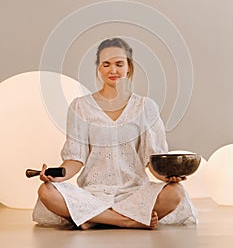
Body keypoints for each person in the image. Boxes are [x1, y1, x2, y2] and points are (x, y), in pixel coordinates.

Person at [33, 37, 198, 229]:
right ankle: (128, 221)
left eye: (119, 64)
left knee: (175, 192)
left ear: (129, 67)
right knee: (46, 192)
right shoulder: (80, 107)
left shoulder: (145, 107)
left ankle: (92, 218)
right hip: (92, 194)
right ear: (99, 68)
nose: (113, 70)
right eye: (106, 64)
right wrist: (56, 176)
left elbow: (151, 160)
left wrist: (168, 177)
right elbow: (75, 159)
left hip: (135, 193)